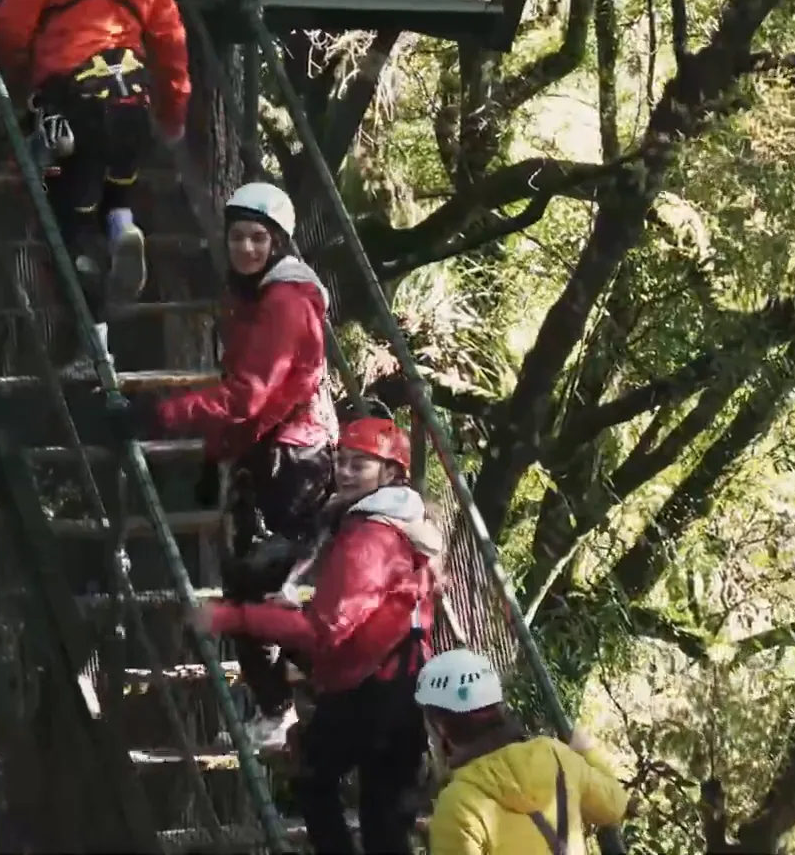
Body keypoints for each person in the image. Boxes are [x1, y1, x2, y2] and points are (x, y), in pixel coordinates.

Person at [193, 414, 443, 855]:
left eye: (359, 465)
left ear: (390, 473)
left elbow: (325, 629)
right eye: (342, 461)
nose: (345, 472)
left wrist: (233, 618)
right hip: (402, 684)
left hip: (368, 691)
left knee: (313, 778)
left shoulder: (370, 537)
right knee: (384, 824)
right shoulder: (403, 523)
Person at [151, 181, 337, 748]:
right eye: (237, 236)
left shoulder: (282, 303)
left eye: (259, 238)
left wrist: (158, 415)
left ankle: (289, 706)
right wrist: (216, 454)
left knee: (256, 592)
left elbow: (248, 398)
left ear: (279, 243)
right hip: (276, 452)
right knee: (256, 589)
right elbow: (256, 404)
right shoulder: (257, 298)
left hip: (293, 459)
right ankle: (293, 704)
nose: (247, 248)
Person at [0, 0, 190, 368]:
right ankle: (123, 225)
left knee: (70, 224)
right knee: (112, 191)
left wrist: (19, 84)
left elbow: (12, 26)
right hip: (132, 104)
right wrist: (172, 115)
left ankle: (95, 348)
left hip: (72, 103)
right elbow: (171, 46)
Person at [414, 649, 629, 855]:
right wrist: (587, 751)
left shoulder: (457, 805)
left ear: (441, 728)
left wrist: (442, 833)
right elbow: (614, 805)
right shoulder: (554, 755)